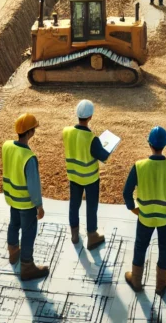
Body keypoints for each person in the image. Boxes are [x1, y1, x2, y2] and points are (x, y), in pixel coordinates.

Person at [123, 126, 166, 296]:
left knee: (140, 246)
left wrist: (133, 209)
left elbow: (126, 192)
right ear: (165, 144)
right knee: (164, 247)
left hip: (144, 217)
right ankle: (161, 284)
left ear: (149, 143)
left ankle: (136, 281)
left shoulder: (139, 166)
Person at [2, 113, 49, 281]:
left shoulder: (7, 145)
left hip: (12, 197)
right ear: (29, 133)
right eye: (33, 129)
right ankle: (27, 266)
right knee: (29, 233)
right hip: (26, 202)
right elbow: (33, 186)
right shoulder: (29, 157)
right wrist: (39, 206)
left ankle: (13, 252)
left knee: (14, 224)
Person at [63, 99, 111, 249]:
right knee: (91, 207)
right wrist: (107, 147)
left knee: (74, 205)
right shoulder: (91, 138)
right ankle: (92, 237)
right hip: (90, 179)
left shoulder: (67, 132)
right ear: (90, 117)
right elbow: (103, 156)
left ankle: (75, 235)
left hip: (74, 177)